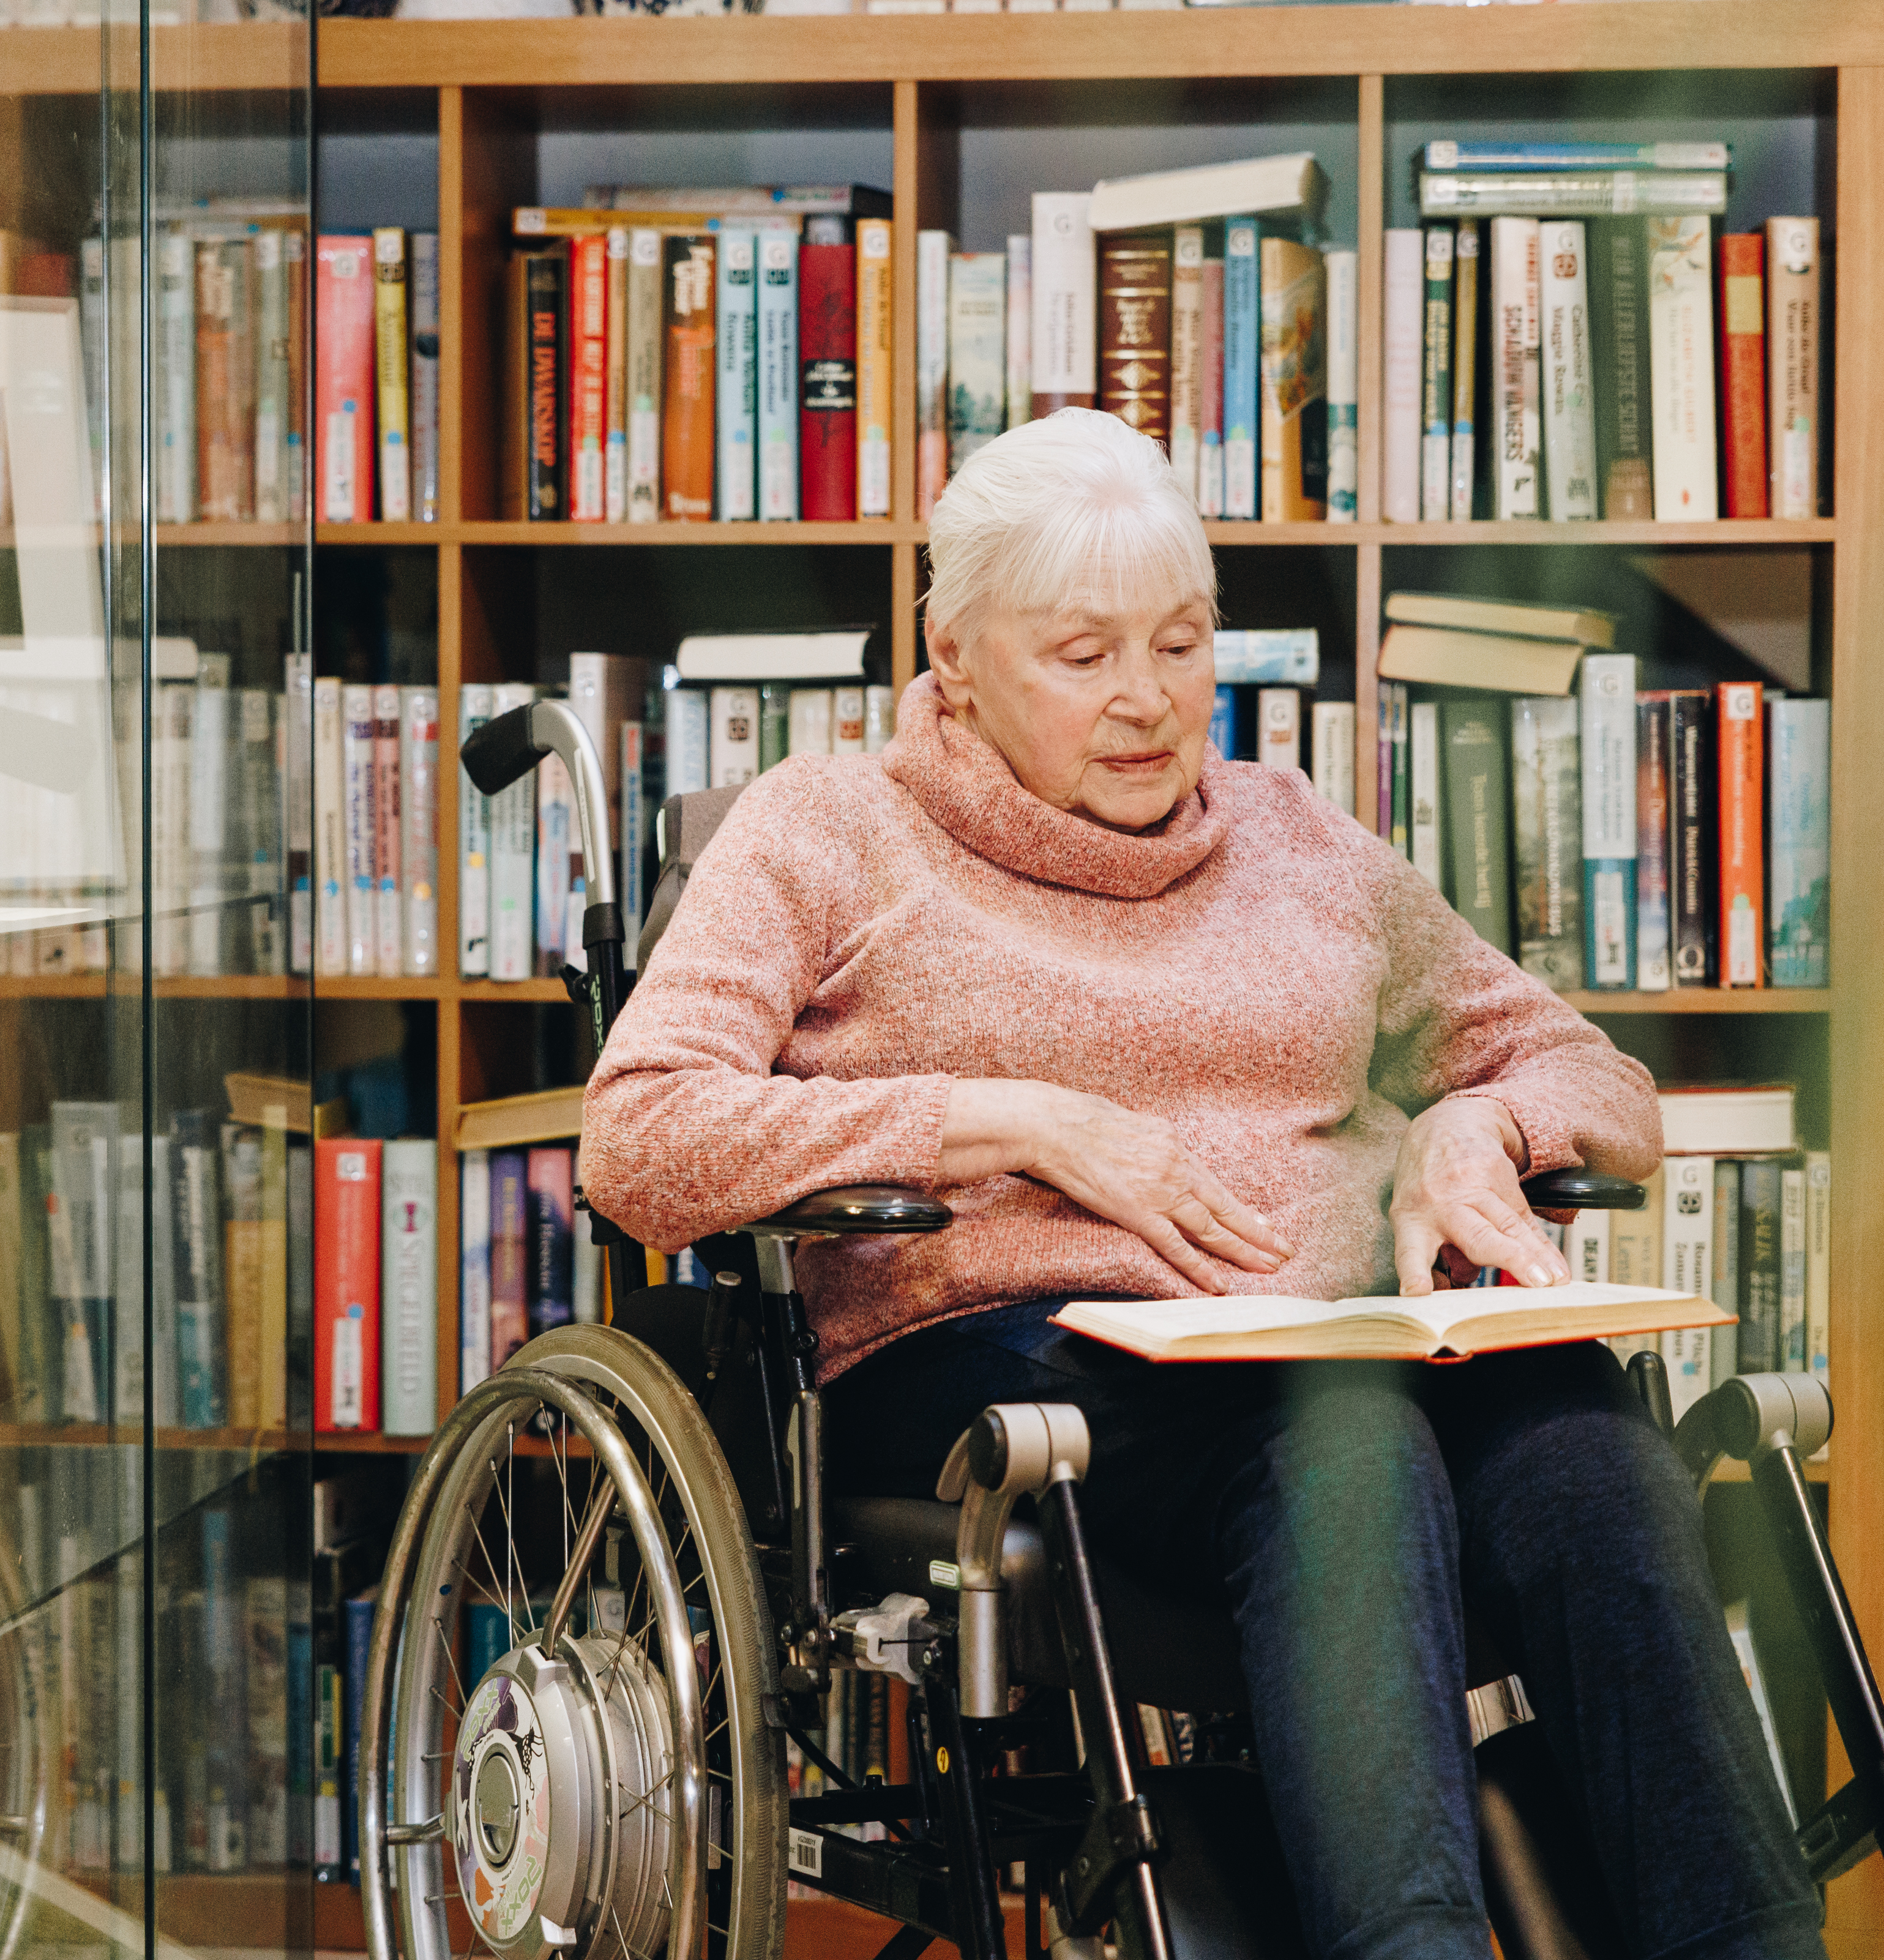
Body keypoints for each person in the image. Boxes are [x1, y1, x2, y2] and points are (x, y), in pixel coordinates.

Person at [579, 408, 1820, 1960]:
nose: (1149, 701)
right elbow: (637, 1138)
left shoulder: (1295, 837)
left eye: (1179, 643)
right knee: (1344, 1445)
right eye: (1084, 652)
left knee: (1586, 1442)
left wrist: (1479, 1129)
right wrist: (1004, 1120)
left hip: (1342, 1340)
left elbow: (1598, 1079)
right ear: (954, 655)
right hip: (1008, 1375)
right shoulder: (831, 832)